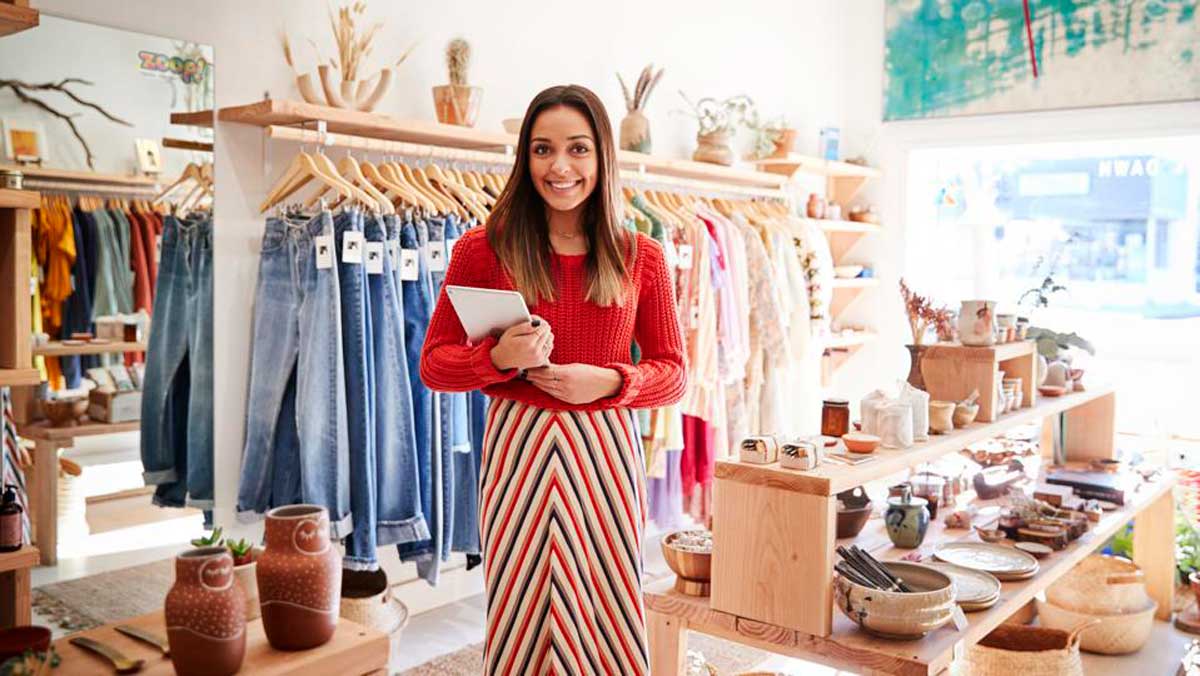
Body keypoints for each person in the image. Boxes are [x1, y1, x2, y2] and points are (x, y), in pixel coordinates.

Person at [420, 84, 686, 675]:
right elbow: (434, 363)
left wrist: (612, 382)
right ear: (524, 157)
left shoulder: (641, 255)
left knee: (604, 604)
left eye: (577, 149)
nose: (559, 167)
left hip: (605, 450)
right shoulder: (481, 249)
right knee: (523, 602)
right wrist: (496, 359)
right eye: (542, 150)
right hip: (518, 449)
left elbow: (673, 374)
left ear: (602, 157)